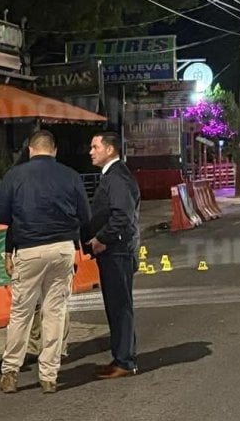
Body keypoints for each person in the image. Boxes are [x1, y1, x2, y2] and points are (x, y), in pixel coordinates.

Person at [0, 130, 90, 394]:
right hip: (62, 250)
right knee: (54, 312)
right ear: (54, 150)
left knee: (21, 313)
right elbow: (85, 214)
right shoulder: (70, 175)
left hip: (29, 249)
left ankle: (10, 372)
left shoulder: (15, 176)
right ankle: (49, 375)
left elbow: (0, 214)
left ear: (31, 150)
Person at [82, 132, 141, 379]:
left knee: (120, 307)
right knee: (115, 306)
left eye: (95, 146)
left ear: (109, 150)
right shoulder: (113, 175)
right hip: (114, 250)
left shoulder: (116, 177)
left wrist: (101, 239)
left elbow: (121, 216)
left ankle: (125, 361)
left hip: (116, 251)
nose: (90, 151)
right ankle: (120, 356)